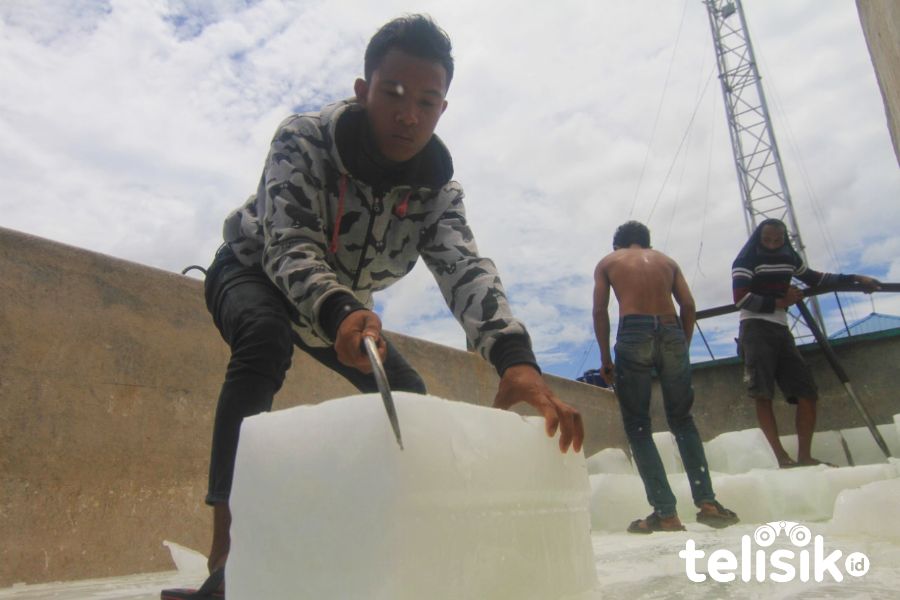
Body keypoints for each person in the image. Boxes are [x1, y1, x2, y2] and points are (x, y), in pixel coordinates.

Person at [166, 14, 584, 598]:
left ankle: (400, 539)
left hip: (342, 310)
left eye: (426, 101)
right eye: (392, 94)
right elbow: (290, 244)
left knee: (410, 402)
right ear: (364, 91)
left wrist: (516, 361)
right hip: (255, 270)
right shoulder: (304, 139)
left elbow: (465, 269)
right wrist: (339, 312)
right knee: (263, 339)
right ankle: (227, 554)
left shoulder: (437, 191)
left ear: (443, 109)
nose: (408, 114)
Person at [593, 221, 738, 534]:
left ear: (618, 245)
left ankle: (666, 513)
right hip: (671, 329)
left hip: (633, 331)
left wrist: (605, 357)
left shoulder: (609, 262)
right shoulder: (667, 262)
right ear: (647, 242)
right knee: (683, 420)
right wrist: (682, 345)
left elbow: (600, 311)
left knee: (638, 425)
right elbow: (687, 305)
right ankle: (708, 503)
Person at [732, 218, 880, 468]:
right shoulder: (745, 261)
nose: (771, 244)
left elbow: (815, 278)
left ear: (784, 239)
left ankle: (805, 456)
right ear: (759, 237)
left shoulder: (789, 258)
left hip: (781, 328)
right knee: (762, 393)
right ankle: (782, 458)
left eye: (777, 240)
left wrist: (855, 278)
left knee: (807, 391)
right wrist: (779, 301)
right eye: (767, 239)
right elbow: (740, 298)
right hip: (755, 328)